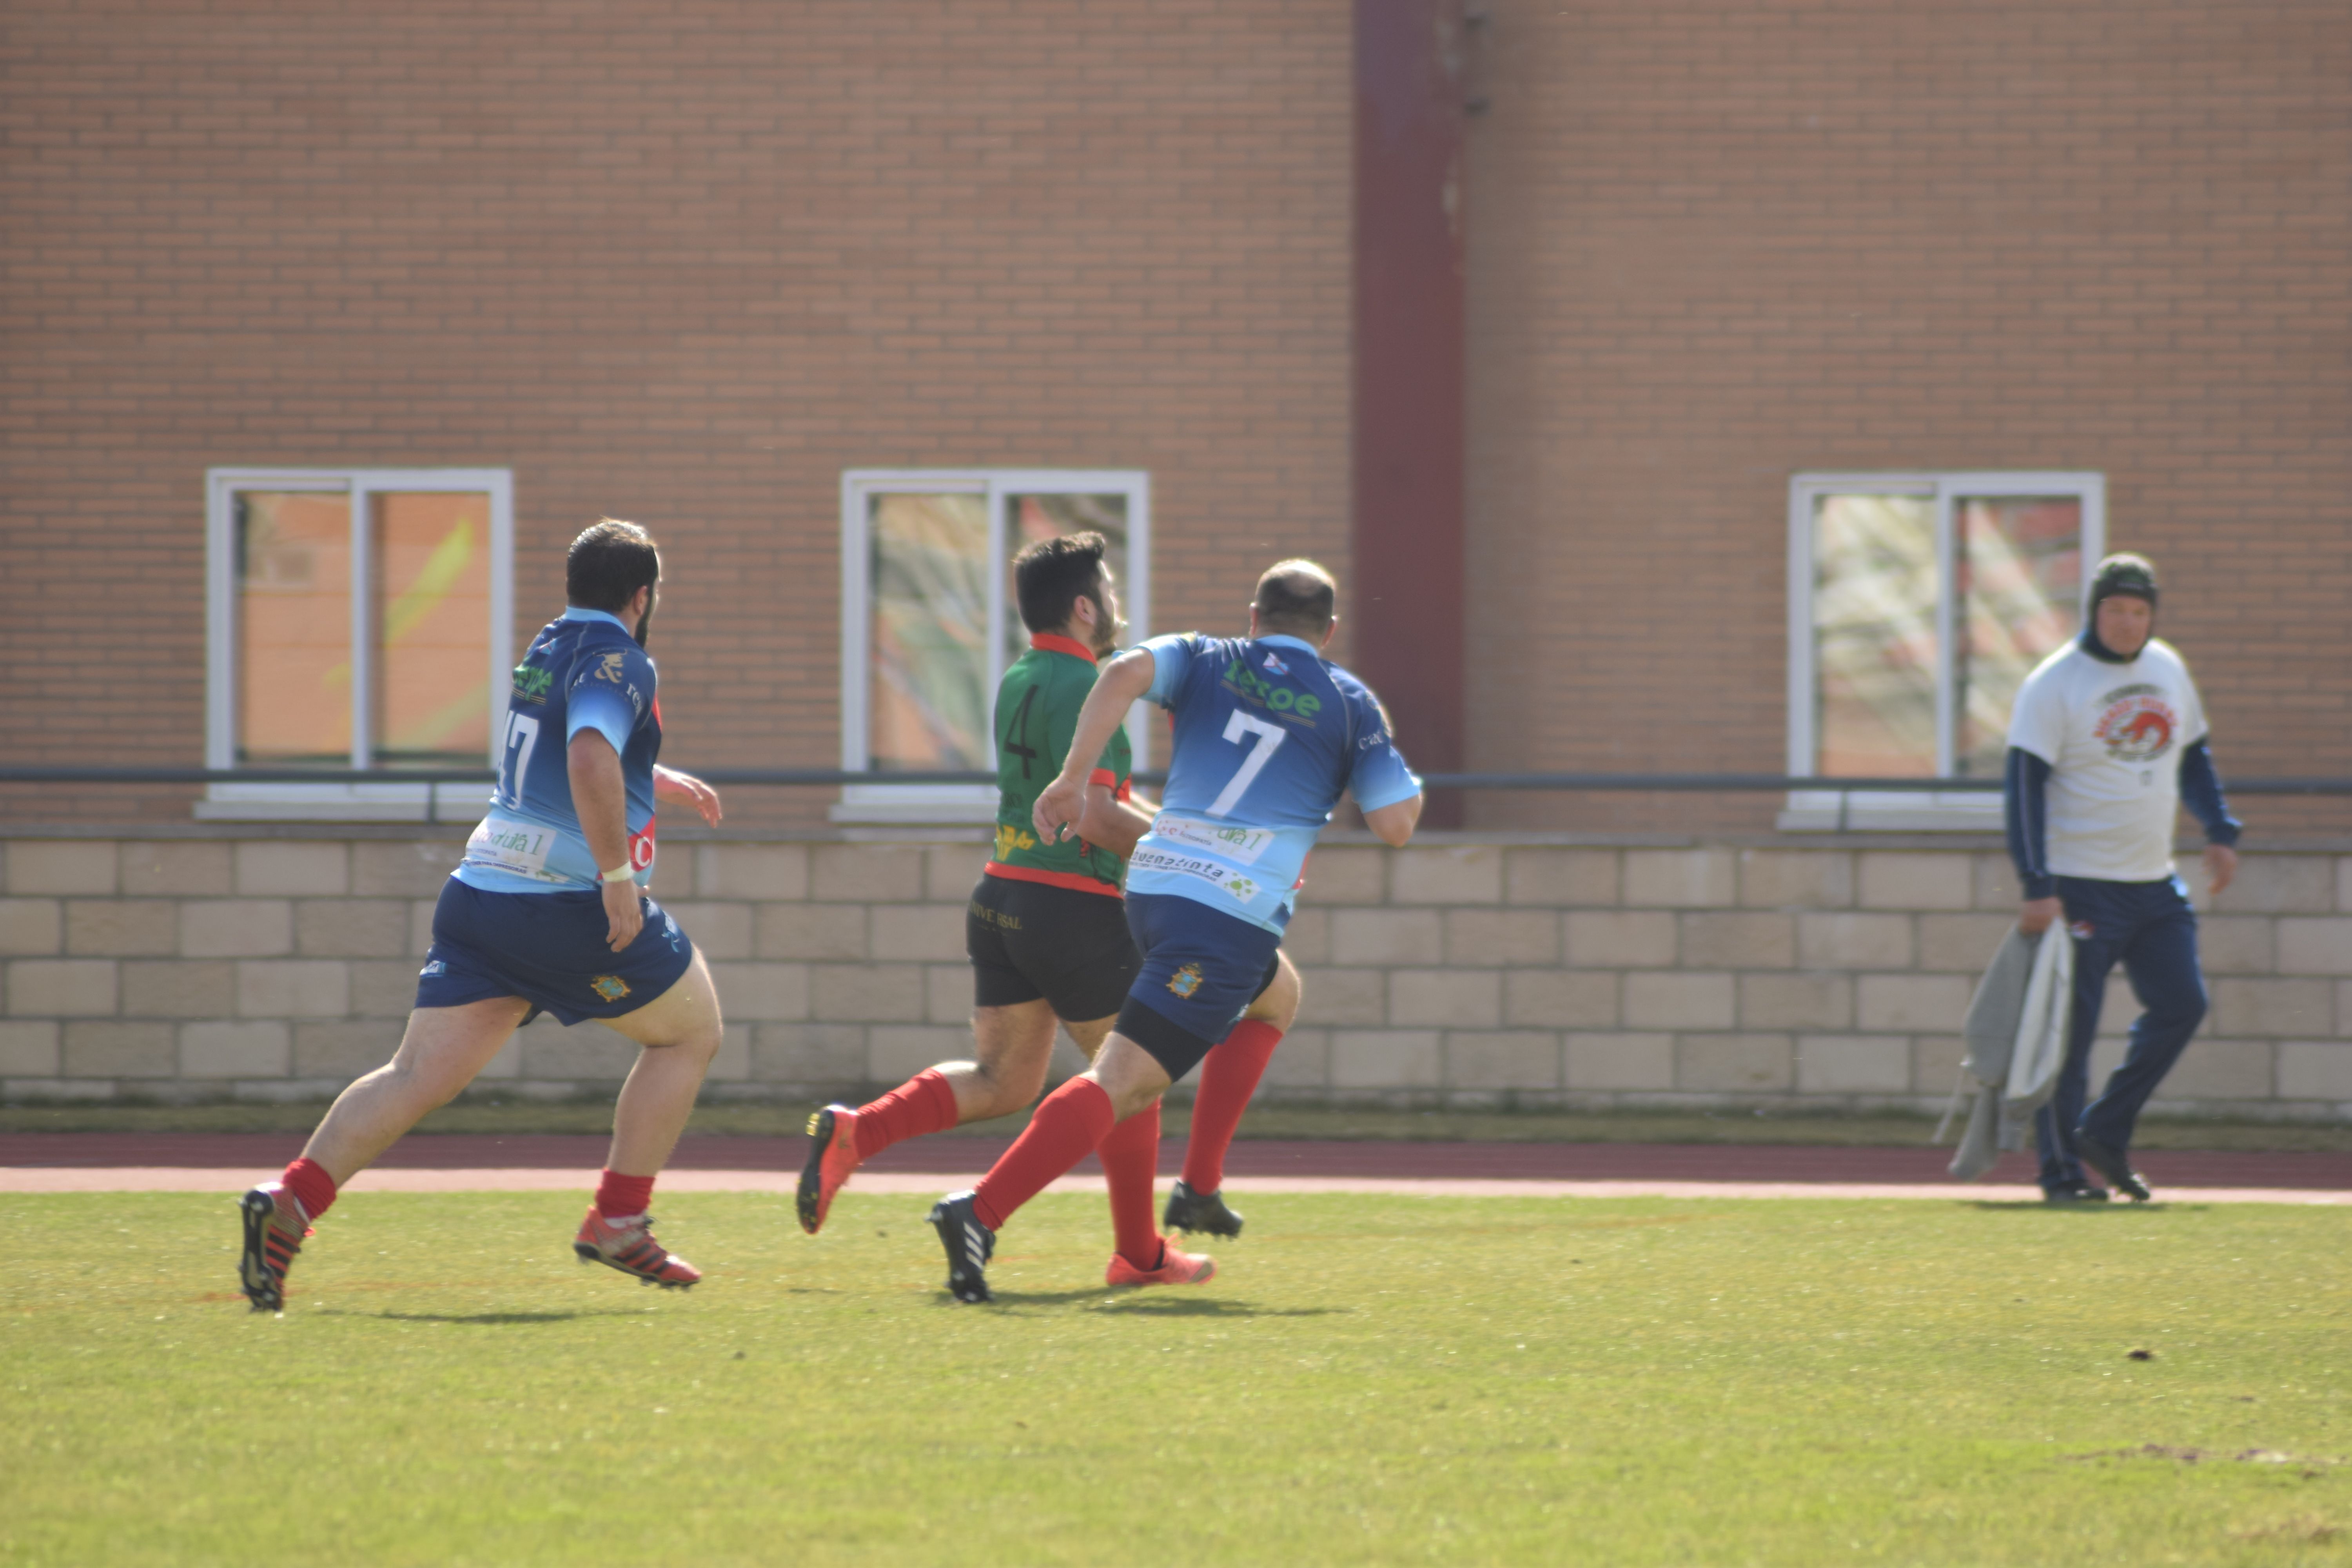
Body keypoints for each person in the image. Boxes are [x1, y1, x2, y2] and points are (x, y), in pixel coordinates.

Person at [236, 519, 729, 1311]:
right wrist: (614, 877)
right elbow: (585, 754)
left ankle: (291, 1200)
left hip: (481, 895)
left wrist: (652, 772)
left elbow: (570, 740)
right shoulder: (622, 656)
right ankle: (619, 1218)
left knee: (416, 1074)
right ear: (643, 596)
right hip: (564, 901)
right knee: (691, 1031)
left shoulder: (546, 646)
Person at [798, 532, 1297, 1287]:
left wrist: (1181, 830)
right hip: (1073, 909)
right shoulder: (1091, 688)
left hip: (1002, 897)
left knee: (1004, 1080)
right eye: (1112, 595)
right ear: (1085, 606)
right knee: (1128, 1084)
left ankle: (857, 1131)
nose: (1120, 610)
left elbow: (1101, 800)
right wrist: (1202, 861)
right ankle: (1137, 1256)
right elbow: (1097, 820)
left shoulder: (1022, 676)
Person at [926, 559, 1424, 1302]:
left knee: (1277, 994)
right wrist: (1373, 765)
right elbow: (1394, 826)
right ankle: (980, 1211)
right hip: (1224, 916)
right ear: (1331, 631)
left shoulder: (1207, 654)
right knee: (1122, 1083)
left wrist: (1071, 778)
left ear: (1254, 616)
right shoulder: (1349, 702)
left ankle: (1198, 1188)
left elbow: (1123, 670)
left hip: (1153, 889)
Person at [2004, 552, 2240, 1204]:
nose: (2129, 623)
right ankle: (2060, 1173)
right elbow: (2022, 786)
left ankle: (2103, 1130)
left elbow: (2193, 755)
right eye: (2116, 610)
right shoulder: (2055, 683)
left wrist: (2219, 831)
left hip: (2153, 885)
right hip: (2080, 887)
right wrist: (2036, 884)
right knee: (2070, 1037)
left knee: (2182, 1005)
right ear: (2094, 611)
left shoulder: (2167, 666)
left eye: (2140, 612)